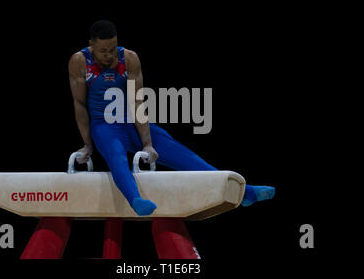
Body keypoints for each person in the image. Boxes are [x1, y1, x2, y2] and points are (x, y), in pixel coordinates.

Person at [68, 20, 275, 216]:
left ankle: (245, 192)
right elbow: (79, 104)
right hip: (104, 126)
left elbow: (137, 102)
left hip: (132, 122)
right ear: (91, 45)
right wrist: (87, 145)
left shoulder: (129, 58)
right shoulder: (79, 62)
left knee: (183, 156)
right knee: (117, 157)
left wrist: (147, 144)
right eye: (103, 51)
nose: (109, 55)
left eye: (113, 49)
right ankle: (136, 200)